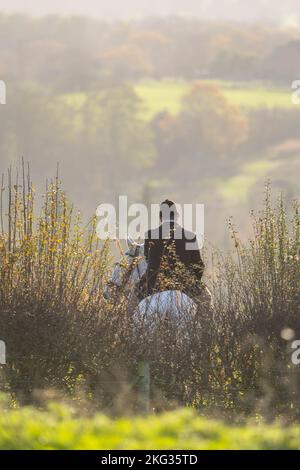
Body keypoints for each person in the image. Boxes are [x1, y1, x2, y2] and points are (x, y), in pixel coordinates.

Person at [139, 199, 204, 300]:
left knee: (133, 298)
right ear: (177, 217)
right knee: (207, 300)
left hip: (154, 288)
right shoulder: (190, 236)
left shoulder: (150, 235)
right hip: (184, 289)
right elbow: (199, 266)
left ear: (160, 217)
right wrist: (191, 284)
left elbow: (148, 260)